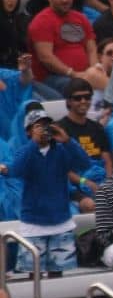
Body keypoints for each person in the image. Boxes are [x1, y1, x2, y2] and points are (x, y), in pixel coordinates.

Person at [2, 109, 90, 278]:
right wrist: (33, 143)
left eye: (46, 125)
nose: (44, 129)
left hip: (60, 222)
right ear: (28, 131)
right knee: (34, 277)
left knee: (57, 277)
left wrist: (67, 141)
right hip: (34, 224)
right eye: (38, 126)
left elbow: (84, 163)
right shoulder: (24, 151)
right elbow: (15, 170)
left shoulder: (62, 151)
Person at [29, 0, 106, 95]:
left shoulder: (81, 18)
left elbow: (91, 49)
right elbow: (46, 58)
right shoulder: (41, 21)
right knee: (90, 82)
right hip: (53, 78)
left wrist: (95, 69)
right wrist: (72, 73)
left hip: (84, 74)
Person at [56, 79, 111, 208]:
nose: (83, 101)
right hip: (73, 185)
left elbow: (107, 160)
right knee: (91, 205)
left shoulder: (97, 128)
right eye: (78, 98)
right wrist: (84, 181)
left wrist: (108, 184)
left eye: (87, 97)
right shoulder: (59, 129)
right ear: (69, 101)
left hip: (100, 180)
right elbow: (60, 168)